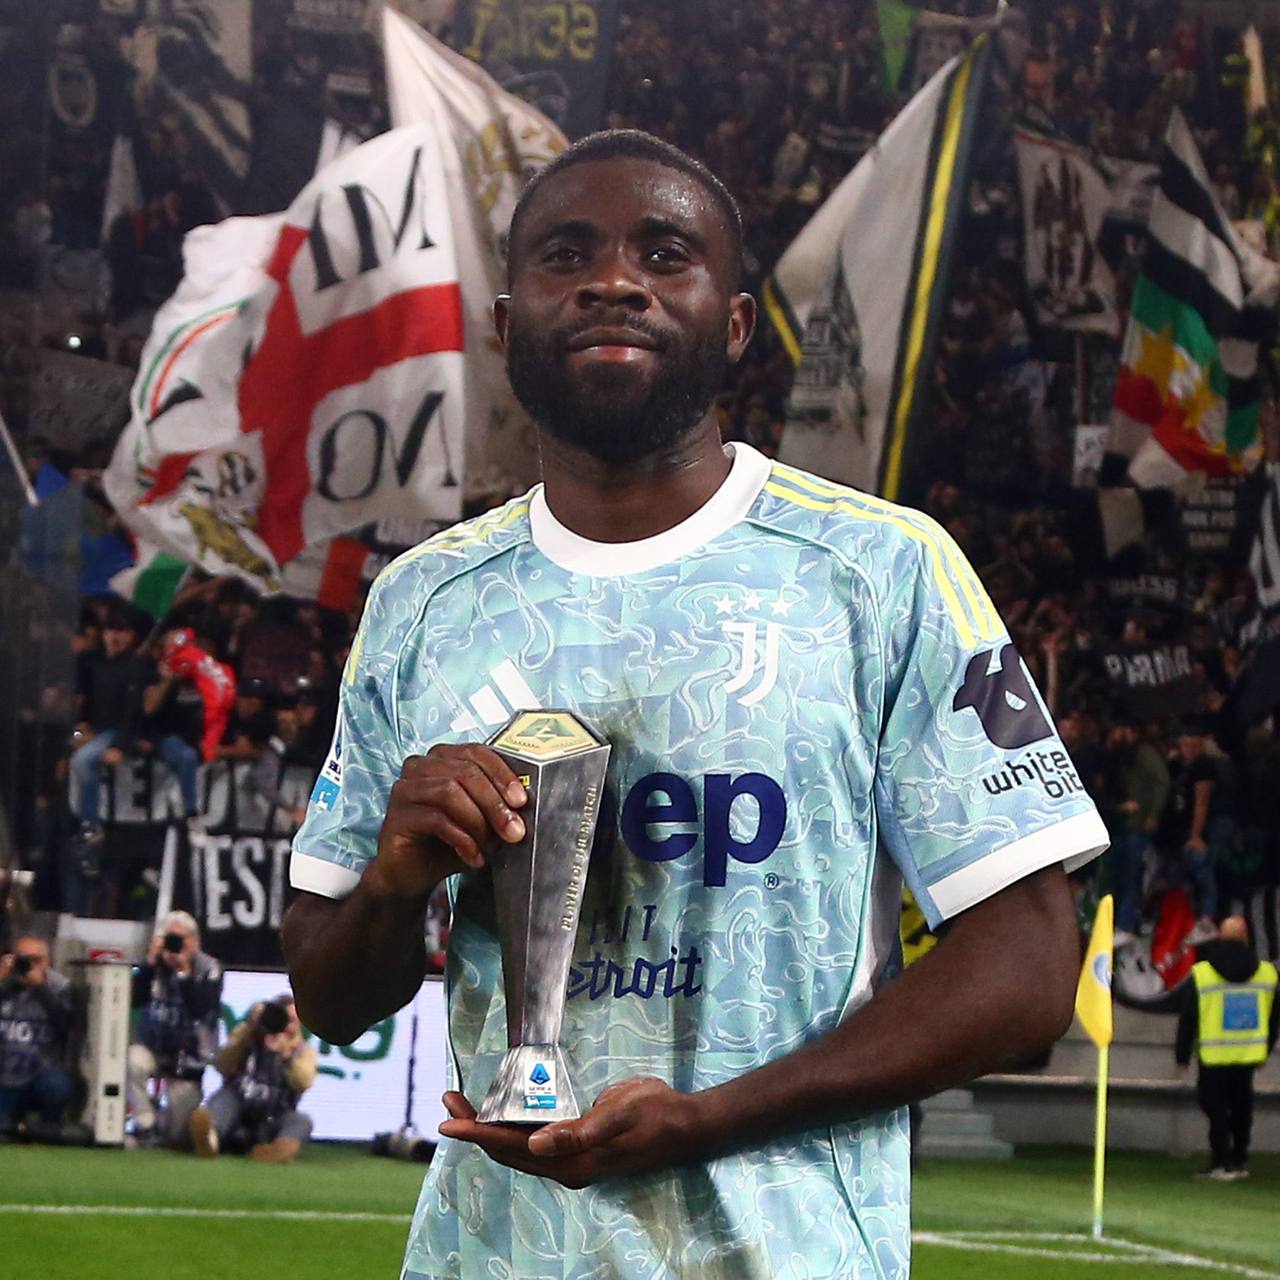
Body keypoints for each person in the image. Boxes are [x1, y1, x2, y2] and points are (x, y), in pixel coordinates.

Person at [283, 130, 1108, 1279]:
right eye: (566, 254)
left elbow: (1026, 966)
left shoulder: (882, 570)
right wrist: (393, 878)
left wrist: (711, 1117)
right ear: (506, 322)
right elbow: (328, 994)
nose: (612, 281)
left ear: (732, 324)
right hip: (493, 1254)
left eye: (663, 254)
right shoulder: (424, 602)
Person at [1175, 916, 1278, 1181]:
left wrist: (1182, 1053)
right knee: (1242, 1106)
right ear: (1247, 938)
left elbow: (1189, 1017)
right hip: (1248, 1055)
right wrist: (1266, 1049)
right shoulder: (1267, 973)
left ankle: (1221, 1160)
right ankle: (1239, 1159)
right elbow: (1274, 1017)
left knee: (1215, 1107)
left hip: (1213, 1055)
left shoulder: (1202, 973)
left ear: (1219, 938)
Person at [127, 911, 223, 1147]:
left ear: (195, 941)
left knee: (177, 1137)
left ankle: (164, 1126)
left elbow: (200, 1009)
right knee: (132, 1060)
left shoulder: (209, 967)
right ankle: (146, 1124)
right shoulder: (156, 964)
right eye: (170, 938)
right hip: (153, 1046)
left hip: (189, 1056)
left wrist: (183, 971)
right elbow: (134, 999)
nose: (175, 945)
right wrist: (149, 964)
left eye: (181, 939)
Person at [188, 994, 316, 1163]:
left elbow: (303, 1082)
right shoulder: (248, 1036)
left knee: (302, 1121)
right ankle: (209, 1138)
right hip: (238, 1104)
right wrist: (249, 1029)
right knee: (224, 1100)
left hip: (274, 1114)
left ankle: (278, 1149)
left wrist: (287, 1056)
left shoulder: (303, 1051)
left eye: (292, 1020)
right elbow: (222, 1065)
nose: (286, 1026)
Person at [69, 609, 152, 843]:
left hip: (116, 733)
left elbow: (134, 712)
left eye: (121, 631)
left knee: (83, 760)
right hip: (90, 731)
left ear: (131, 636)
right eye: (110, 630)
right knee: (71, 744)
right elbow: (81, 702)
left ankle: (91, 825)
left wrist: (119, 745)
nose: (115, 636)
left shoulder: (137, 666)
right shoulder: (90, 663)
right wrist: (80, 728)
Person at [0, 936, 75, 1136]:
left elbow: (67, 1026)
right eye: (23, 959)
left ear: (47, 961)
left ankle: (48, 1130)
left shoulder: (59, 987)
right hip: (5, 1076)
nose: (29, 966)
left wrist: (40, 987)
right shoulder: (4, 984)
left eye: (36, 960)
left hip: (40, 1075)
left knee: (57, 1085)